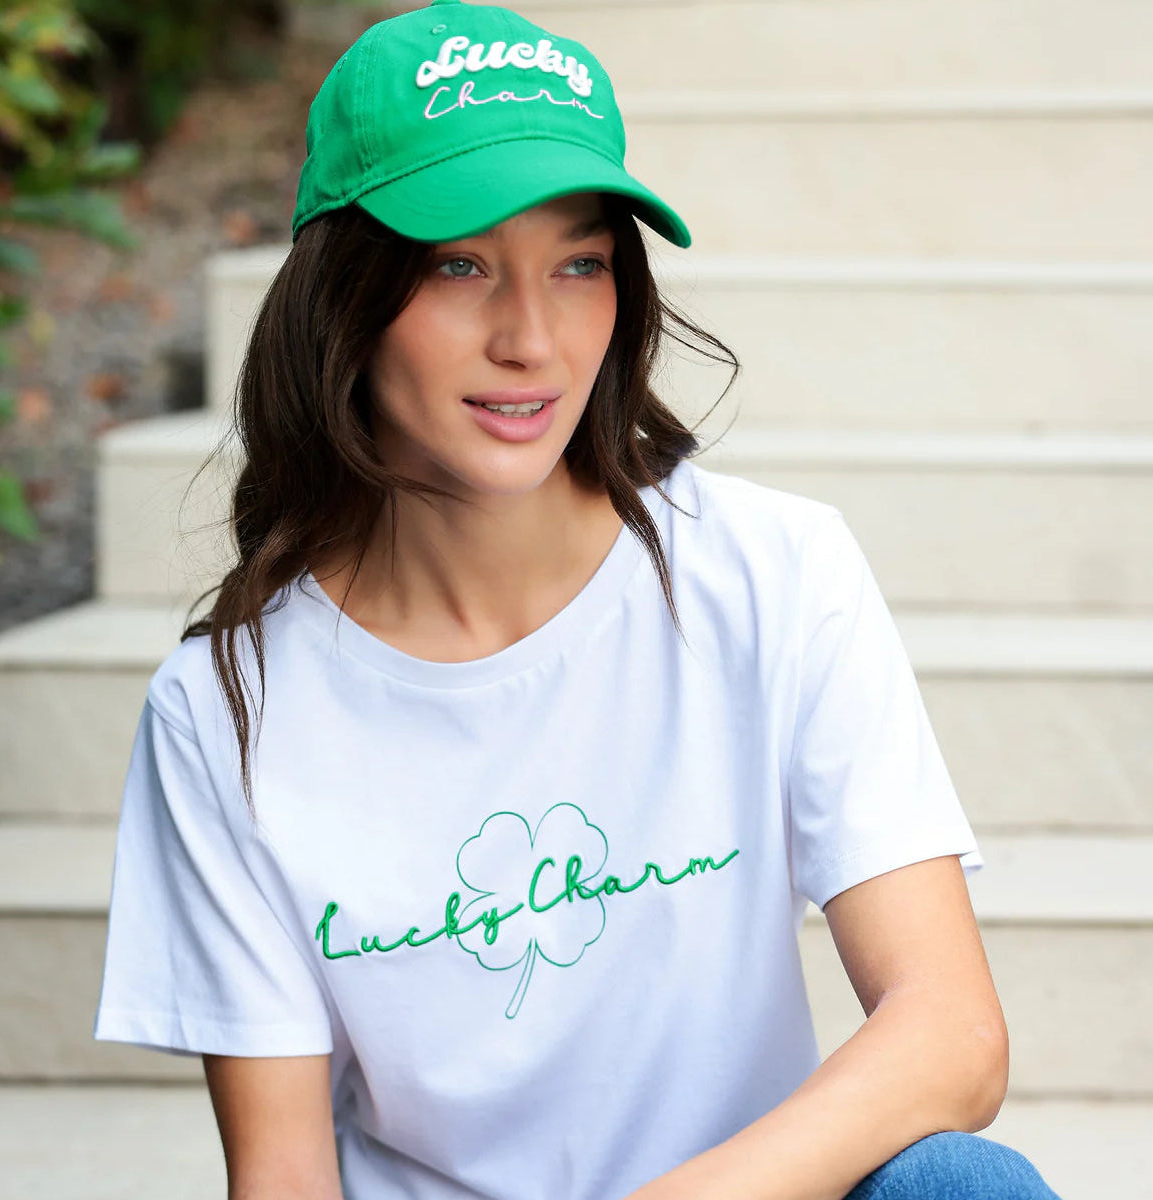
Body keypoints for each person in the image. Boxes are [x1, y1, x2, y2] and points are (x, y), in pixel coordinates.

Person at [93, 2, 1065, 1198]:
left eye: (580, 264)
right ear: (343, 296)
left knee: (960, 1185)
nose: (532, 338)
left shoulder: (771, 572)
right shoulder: (226, 711)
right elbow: (285, 1175)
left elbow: (952, 1035)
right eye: (459, 265)